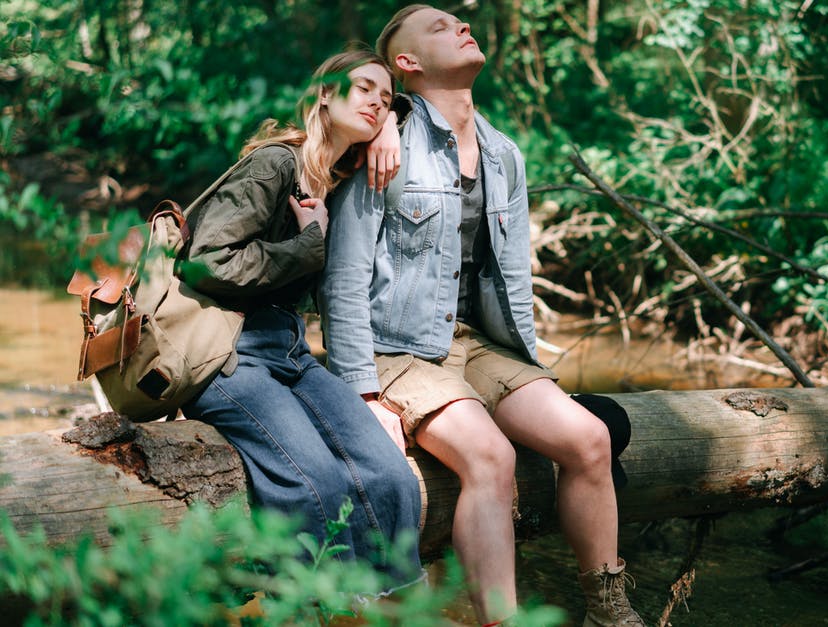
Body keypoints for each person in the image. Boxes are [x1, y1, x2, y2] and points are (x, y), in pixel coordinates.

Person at [320, 5, 644, 626]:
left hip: (478, 345)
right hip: (399, 349)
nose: (461, 26)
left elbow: (512, 277)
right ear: (405, 64)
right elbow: (344, 278)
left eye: (460, 22)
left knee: (590, 437)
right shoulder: (380, 141)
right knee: (490, 456)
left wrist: (530, 371)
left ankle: (608, 607)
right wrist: (361, 390)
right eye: (439, 27)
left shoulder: (504, 154)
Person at [178, 50, 423, 587]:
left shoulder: (337, 173)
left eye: (387, 101)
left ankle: (400, 606)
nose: (378, 105)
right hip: (226, 351)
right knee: (320, 487)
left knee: (391, 477)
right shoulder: (274, 164)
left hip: (290, 351)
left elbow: (419, 115)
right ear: (326, 94)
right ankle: (332, 612)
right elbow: (205, 262)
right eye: (365, 90)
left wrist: (392, 129)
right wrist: (309, 243)